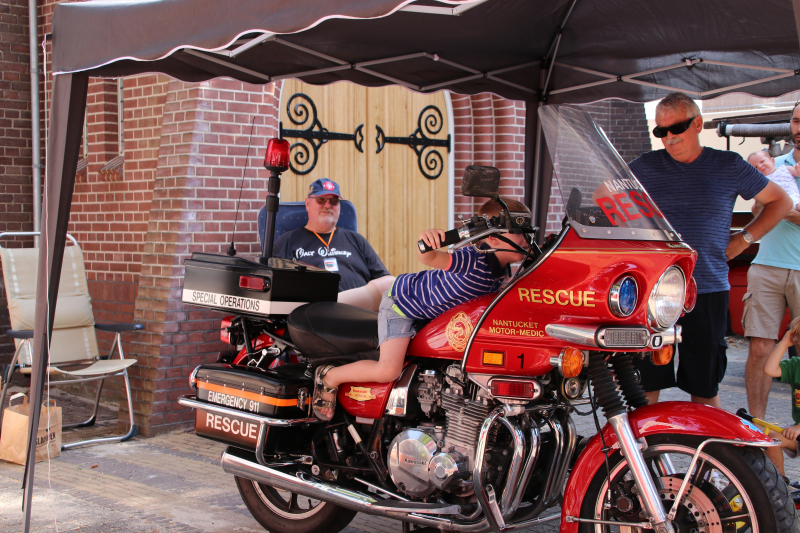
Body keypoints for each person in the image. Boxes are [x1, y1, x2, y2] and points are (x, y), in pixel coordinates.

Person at [629, 92, 791, 409]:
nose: (669, 138)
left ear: (698, 123)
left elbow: (781, 202)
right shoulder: (645, 166)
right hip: (654, 290)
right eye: (660, 131)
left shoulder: (727, 164)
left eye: (676, 128)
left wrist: (744, 238)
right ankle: (640, 455)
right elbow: (600, 198)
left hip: (707, 286)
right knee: (645, 386)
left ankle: (710, 455)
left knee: (704, 385)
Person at [312, 198, 531, 420]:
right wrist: (427, 240)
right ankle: (330, 376)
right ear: (493, 238)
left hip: (432, 314)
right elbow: (430, 257)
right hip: (403, 304)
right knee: (388, 369)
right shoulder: (474, 259)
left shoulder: (504, 271)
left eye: (528, 231)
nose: (527, 238)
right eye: (518, 231)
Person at [745, 104, 800, 422]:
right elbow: (756, 211)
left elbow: (772, 209)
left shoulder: (778, 178)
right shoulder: (775, 168)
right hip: (767, 266)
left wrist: (781, 207)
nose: (797, 126)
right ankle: (756, 428)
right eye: (795, 120)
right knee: (760, 350)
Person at [273, 178, 393, 311]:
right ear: (307, 204)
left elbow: (385, 281)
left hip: (361, 317)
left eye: (334, 201)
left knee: (392, 283)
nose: (328, 205)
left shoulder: (357, 240)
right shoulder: (287, 242)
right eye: (321, 199)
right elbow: (275, 290)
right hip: (311, 319)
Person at [762, 317, 800, 477]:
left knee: (773, 440)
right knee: (769, 440)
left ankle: (780, 487)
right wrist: (784, 343)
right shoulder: (796, 365)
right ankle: (780, 484)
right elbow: (770, 369)